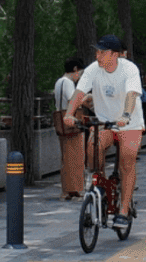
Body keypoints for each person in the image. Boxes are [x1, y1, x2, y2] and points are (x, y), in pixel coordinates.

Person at [65, 35, 144, 229]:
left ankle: (124, 211)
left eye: (102, 52)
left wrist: (126, 115)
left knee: (127, 159)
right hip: (105, 122)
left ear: (115, 55)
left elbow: (132, 94)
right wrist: (69, 113)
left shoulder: (129, 69)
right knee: (93, 149)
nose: (97, 55)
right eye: (97, 51)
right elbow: (80, 93)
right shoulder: (93, 69)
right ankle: (100, 181)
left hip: (129, 124)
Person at [53, 57, 85, 199]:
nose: (80, 76)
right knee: (75, 156)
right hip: (70, 121)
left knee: (66, 156)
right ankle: (73, 188)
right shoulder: (68, 83)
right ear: (75, 70)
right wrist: (86, 97)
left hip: (61, 120)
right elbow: (74, 101)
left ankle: (68, 188)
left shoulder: (59, 82)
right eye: (80, 72)